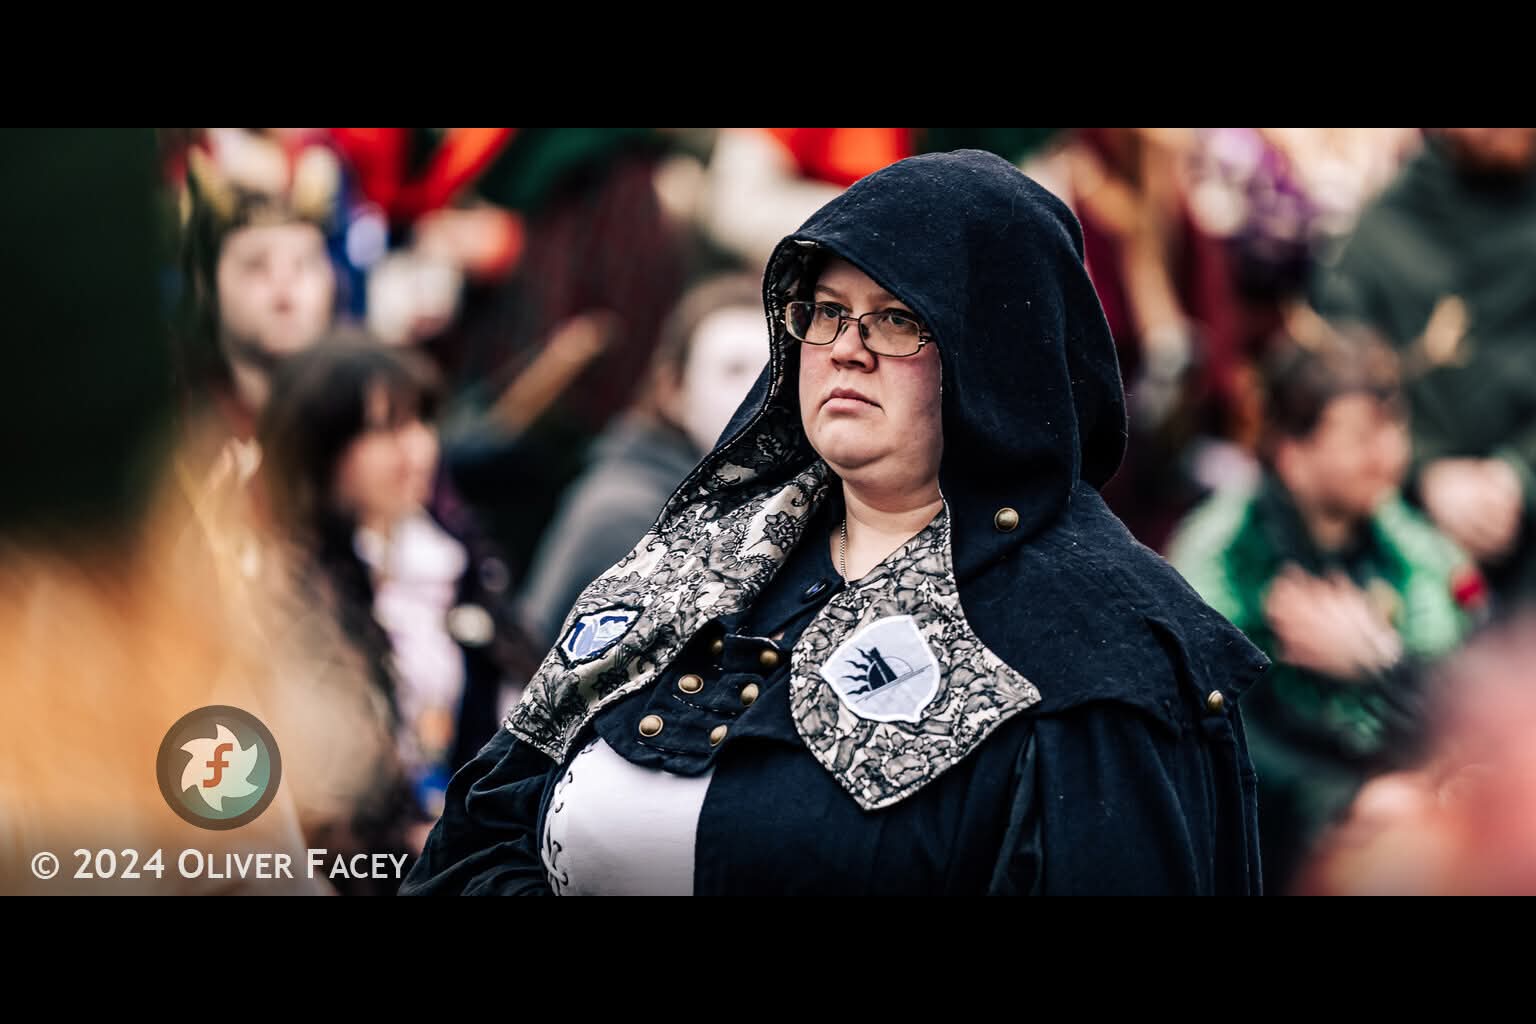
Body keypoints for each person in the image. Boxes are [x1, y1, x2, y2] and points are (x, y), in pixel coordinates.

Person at [402, 149, 1269, 896]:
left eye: (897, 318)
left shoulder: (1106, 648)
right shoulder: (693, 564)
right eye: (825, 311)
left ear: (998, 354)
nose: (847, 347)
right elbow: (479, 834)